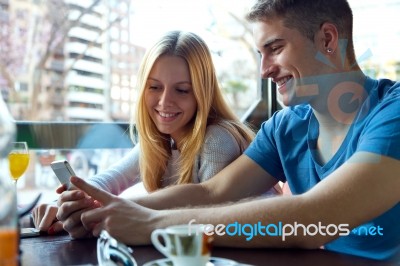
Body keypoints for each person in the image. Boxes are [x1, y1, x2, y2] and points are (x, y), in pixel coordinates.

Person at [58, 0, 400, 261]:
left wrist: (151, 225)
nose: (264, 70)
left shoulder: (392, 113)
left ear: (327, 39)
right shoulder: (286, 127)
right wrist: (108, 213)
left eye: (275, 49)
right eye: (259, 54)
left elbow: (313, 219)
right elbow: (211, 192)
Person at [32, 30, 280, 235]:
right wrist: (65, 204)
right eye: (154, 87)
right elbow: (107, 180)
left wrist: (104, 214)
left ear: (202, 94)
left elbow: (207, 220)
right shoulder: (160, 141)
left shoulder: (217, 140)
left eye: (182, 90)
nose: (164, 102)